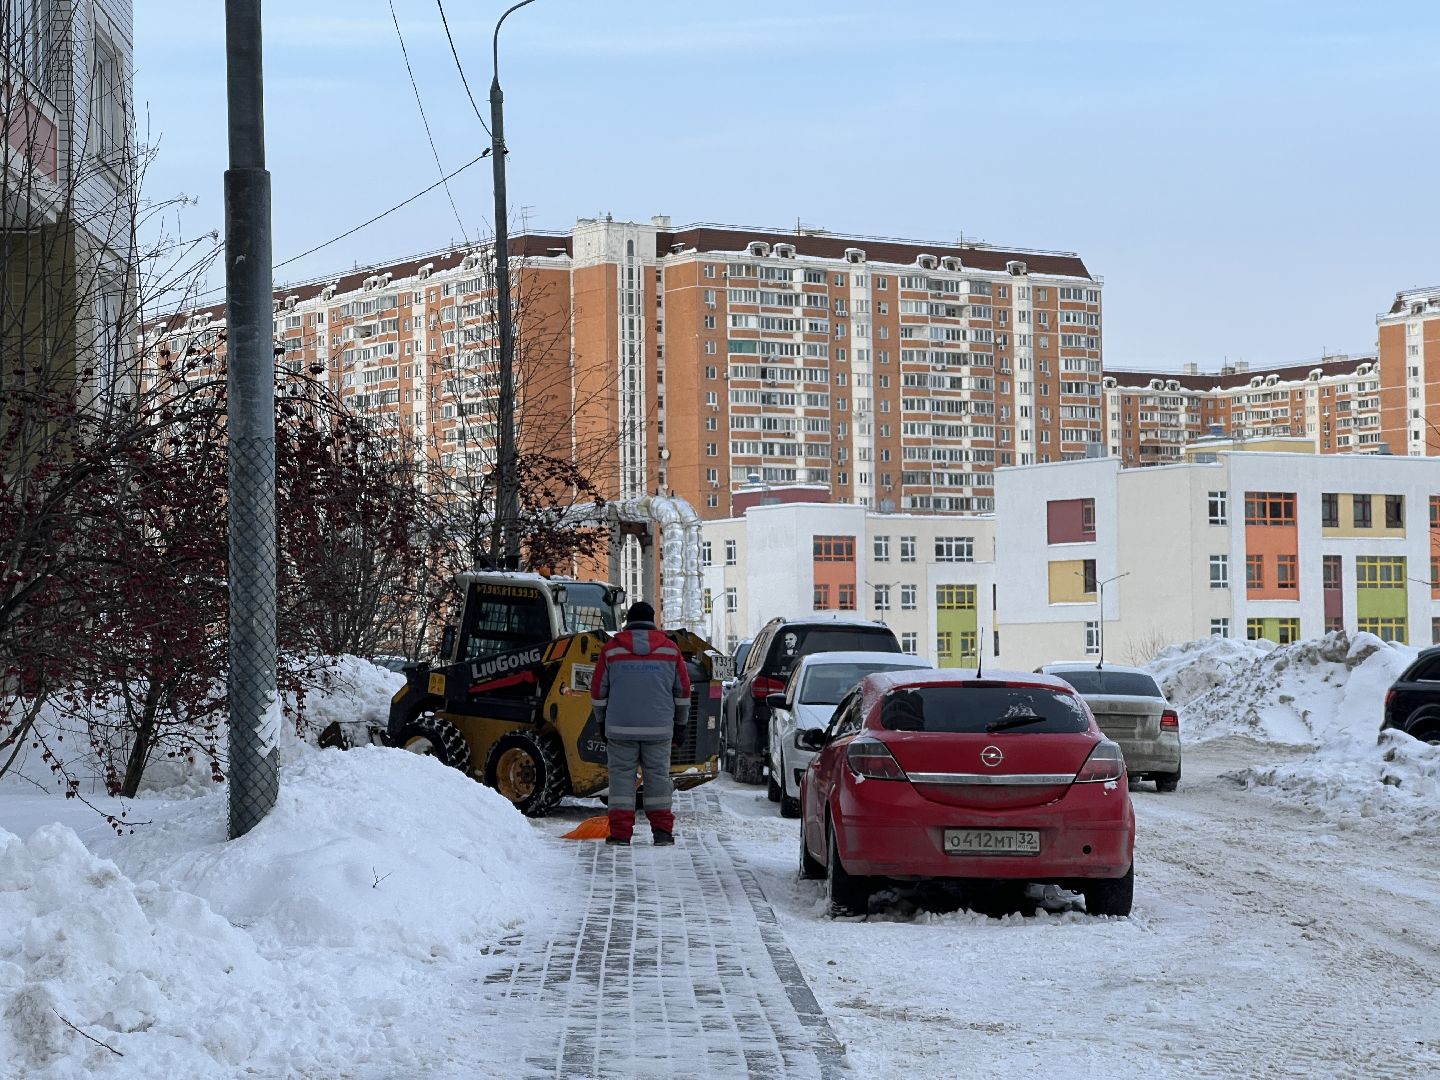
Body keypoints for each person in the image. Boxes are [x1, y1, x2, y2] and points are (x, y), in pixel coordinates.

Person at [590, 601, 691, 846]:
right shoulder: (670, 650)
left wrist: (601, 721)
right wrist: (681, 724)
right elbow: (683, 691)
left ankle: (621, 835)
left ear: (628, 621)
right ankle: (662, 833)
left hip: (620, 729)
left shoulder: (611, 650)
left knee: (621, 781)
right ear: (652, 620)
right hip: (659, 729)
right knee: (658, 779)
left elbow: (598, 691)